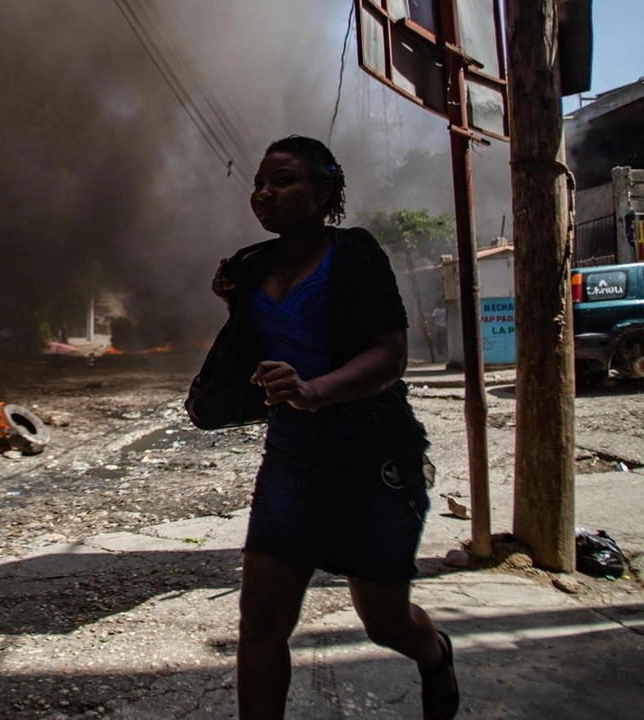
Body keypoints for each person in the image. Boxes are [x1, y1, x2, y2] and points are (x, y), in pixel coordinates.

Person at [186, 136, 459, 719]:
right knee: (260, 623)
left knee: (384, 621)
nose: (265, 193)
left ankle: (434, 653)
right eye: (260, 183)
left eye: (282, 180)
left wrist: (313, 391)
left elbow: (389, 356)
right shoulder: (249, 266)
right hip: (293, 456)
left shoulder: (356, 254)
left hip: (371, 454)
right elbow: (250, 340)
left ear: (325, 188)